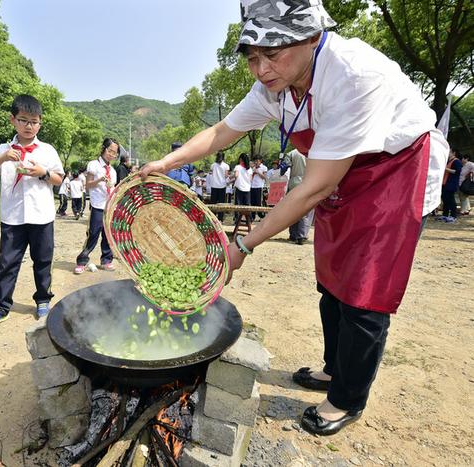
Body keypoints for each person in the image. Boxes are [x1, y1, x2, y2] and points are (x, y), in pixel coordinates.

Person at [141, 0, 448, 436]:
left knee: (365, 291)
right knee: (334, 277)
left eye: (274, 52)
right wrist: (167, 162)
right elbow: (221, 132)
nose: (262, 68)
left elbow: (316, 186)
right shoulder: (275, 83)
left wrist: (242, 245)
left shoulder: (354, 75)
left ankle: (347, 399)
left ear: (310, 37)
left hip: (390, 171)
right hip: (337, 173)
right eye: (253, 57)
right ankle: (332, 369)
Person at [0, 94, 64, 325]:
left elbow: (59, 178)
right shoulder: (4, 149)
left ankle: (43, 300)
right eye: (24, 120)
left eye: (34, 121)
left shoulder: (47, 150)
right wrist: (3, 158)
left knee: (43, 260)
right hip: (13, 217)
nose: (29, 126)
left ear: (40, 123)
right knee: (7, 263)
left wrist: (42, 173)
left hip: (41, 215)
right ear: (12, 120)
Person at [74, 138, 119, 274]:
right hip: (97, 205)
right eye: (110, 150)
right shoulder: (93, 164)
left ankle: (106, 260)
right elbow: (88, 185)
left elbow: (113, 187)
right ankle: (82, 260)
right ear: (103, 149)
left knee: (108, 235)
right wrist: (100, 180)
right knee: (93, 233)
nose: (111, 154)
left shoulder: (113, 170)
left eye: (115, 153)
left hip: (109, 206)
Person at [282, 149, 312, 244]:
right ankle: (302, 235)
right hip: (309, 181)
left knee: (293, 209)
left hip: (294, 182)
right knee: (306, 210)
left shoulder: (292, 153)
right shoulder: (313, 151)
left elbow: (283, 168)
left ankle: (293, 234)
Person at [440, 148, 462, 222]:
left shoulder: (457, 161)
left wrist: (445, 169)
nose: (448, 153)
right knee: (445, 199)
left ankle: (453, 216)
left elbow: (457, 171)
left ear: (454, 153)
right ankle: (445, 215)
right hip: (445, 183)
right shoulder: (449, 161)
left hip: (451, 184)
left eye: (449, 151)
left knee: (451, 200)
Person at [209, 151, 230, 220]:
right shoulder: (226, 166)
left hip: (214, 185)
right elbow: (226, 176)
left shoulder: (213, 165)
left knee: (213, 202)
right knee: (221, 203)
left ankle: (213, 217)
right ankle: (220, 218)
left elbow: (210, 173)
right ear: (223, 157)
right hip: (222, 186)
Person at [233, 153, 253, 222]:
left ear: (240, 159)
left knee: (238, 204)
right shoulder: (249, 169)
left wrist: (232, 177)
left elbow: (236, 175)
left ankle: (237, 219)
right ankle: (249, 218)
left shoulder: (238, 167)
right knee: (247, 204)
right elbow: (250, 179)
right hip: (247, 188)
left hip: (239, 187)